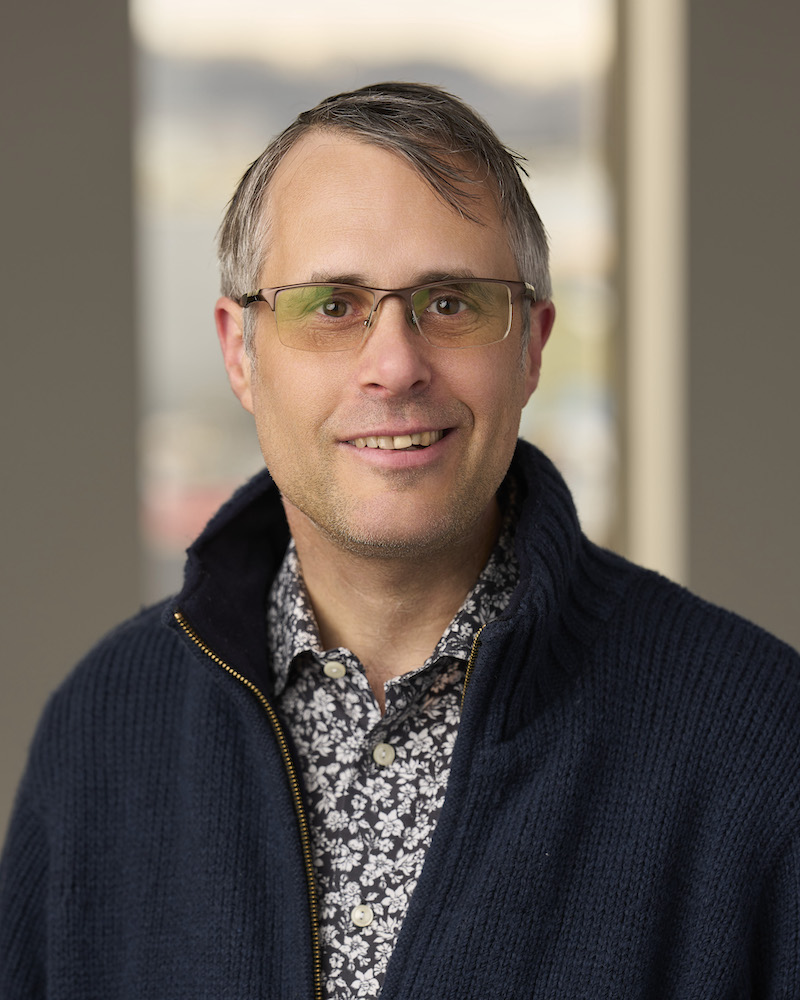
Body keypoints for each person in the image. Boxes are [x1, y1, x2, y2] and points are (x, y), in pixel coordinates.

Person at [1, 81, 799, 1000]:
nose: (395, 365)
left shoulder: (763, 744)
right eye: (331, 305)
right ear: (239, 351)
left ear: (533, 347)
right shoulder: (103, 730)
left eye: (452, 302)